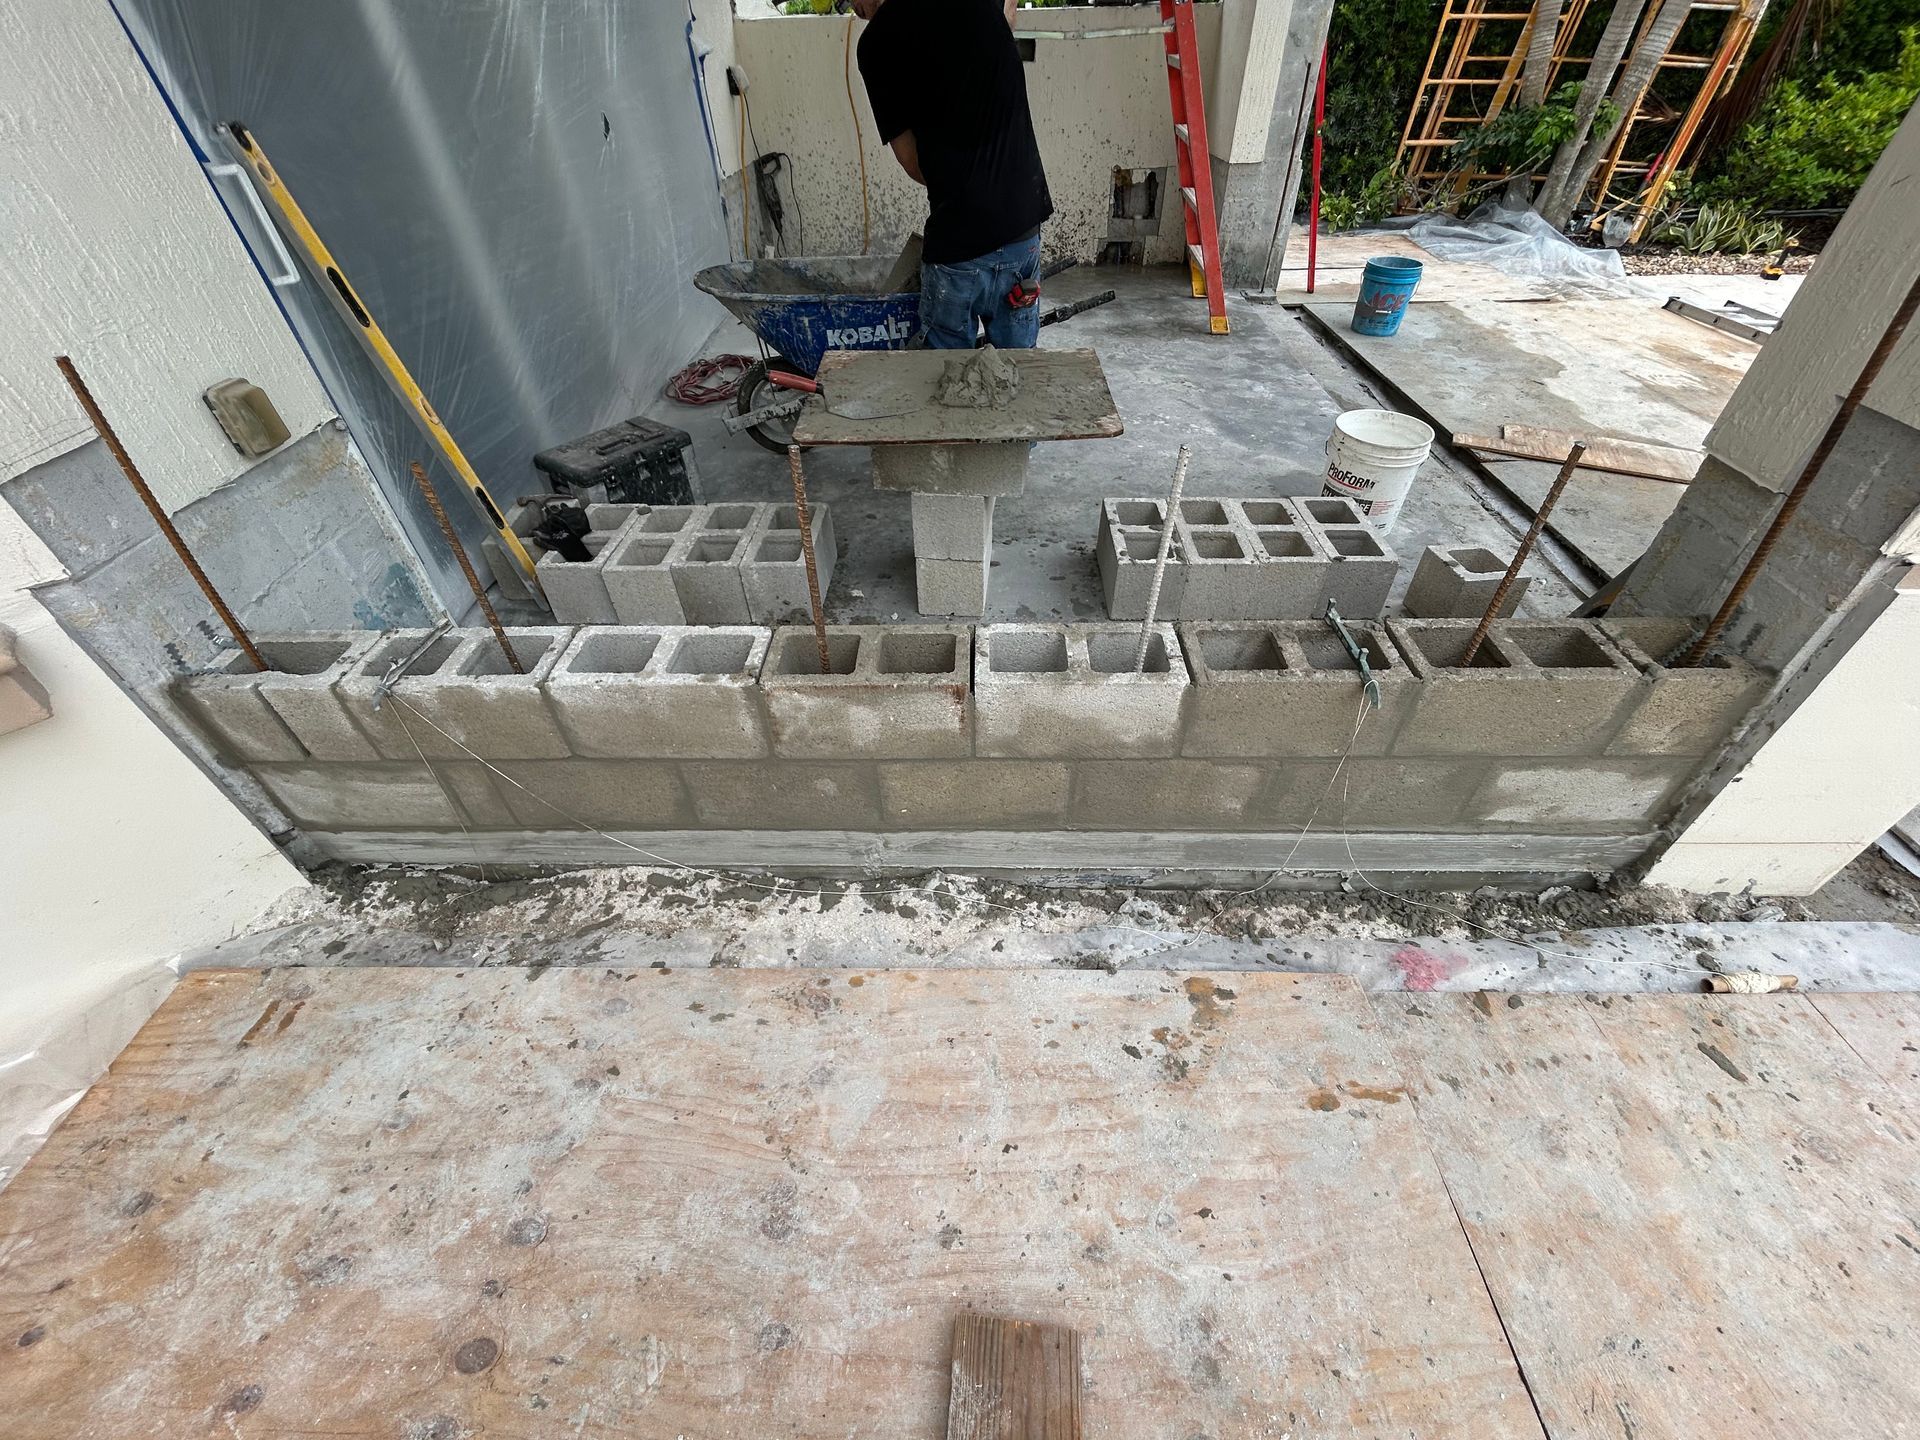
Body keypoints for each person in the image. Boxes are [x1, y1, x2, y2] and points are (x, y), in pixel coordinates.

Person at [850, 0, 1053, 351]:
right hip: (1022, 228)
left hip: (958, 243)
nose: (850, 8)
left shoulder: (876, 44)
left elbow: (913, 163)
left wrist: (961, 174)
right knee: (1018, 373)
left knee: (943, 384)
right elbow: (1008, 14)